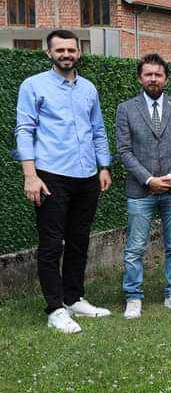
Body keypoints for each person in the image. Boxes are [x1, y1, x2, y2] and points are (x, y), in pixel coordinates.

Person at [16, 30, 112, 333]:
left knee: (79, 242)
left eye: (71, 49)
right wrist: (30, 176)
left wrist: (104, 166)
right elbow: (24, 131)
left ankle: (73, 298)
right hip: (51, 177)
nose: (67, 54)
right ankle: (55, 308)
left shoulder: (88, 89)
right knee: (51, 245)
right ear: (49, 53)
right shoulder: (33, 86)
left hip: (86, 176)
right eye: (60, 50)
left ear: (79, 52)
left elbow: (98, 130)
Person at [116, 53, 171, 319]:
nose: (153, 79)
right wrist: (149, 179)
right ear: (140, 78)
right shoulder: (126, 109)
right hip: (141, 190)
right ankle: (133, 296)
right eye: (148, 74)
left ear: (166, 79)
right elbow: (125, 151)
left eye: (158, 74)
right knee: (135, 247)